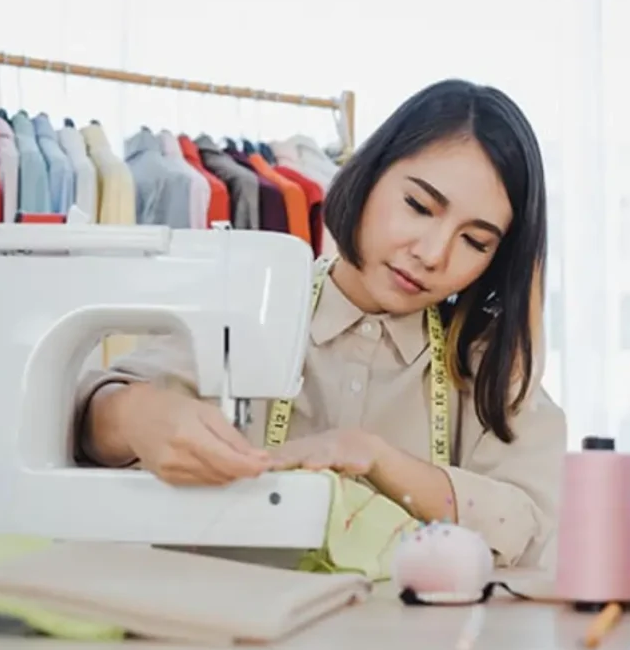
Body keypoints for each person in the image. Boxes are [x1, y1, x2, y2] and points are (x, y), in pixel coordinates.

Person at [73, 78, 567, 568]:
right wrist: (132, 414)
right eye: (418, 207)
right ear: (369, 176)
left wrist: (375, 458)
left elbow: (525, 523)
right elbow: (83, 421)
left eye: (475, 242)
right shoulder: (248, 307)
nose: (433, 254)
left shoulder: (487, 367)